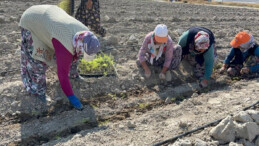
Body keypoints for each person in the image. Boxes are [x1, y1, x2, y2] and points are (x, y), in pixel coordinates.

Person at [19, 5, 101, 110]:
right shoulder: (65, 45)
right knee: (38, 60)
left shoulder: (86, 35)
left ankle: (73, 74)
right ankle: (37, 90)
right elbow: (62, 75)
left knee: (75, 54)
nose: (82, 54)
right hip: (33, 21)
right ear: (80, 44)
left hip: (51, 18)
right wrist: (72, 98)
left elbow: (76, 53)